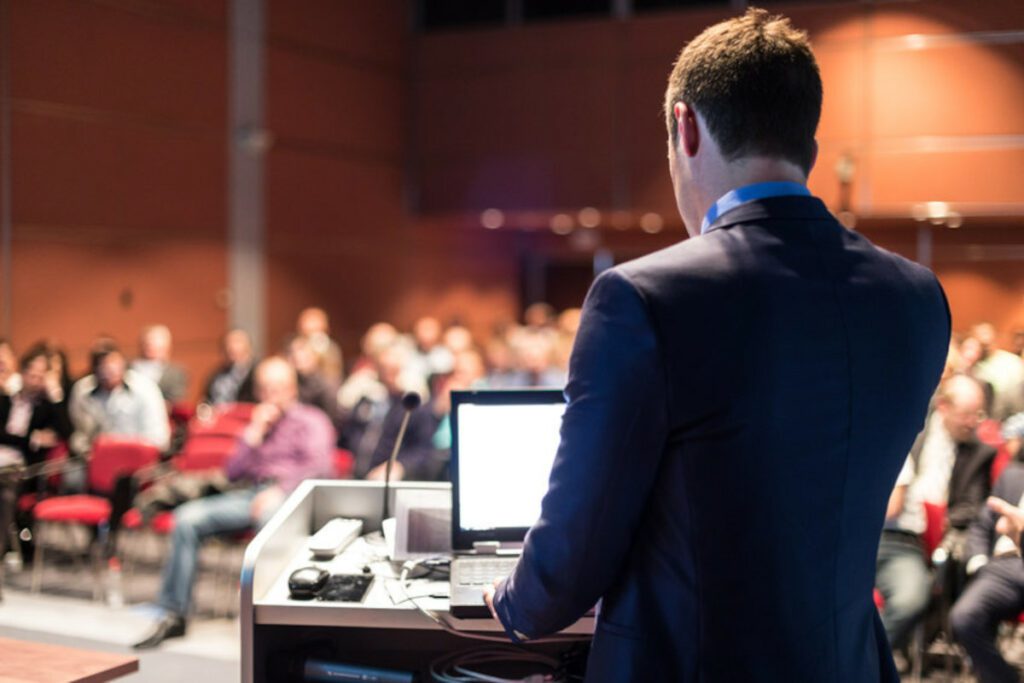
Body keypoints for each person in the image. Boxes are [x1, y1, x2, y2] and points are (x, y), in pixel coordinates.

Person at [484, 10, 950, 681]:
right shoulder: (917, 298)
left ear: (685, 126)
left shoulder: (643, 298)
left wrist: (510, 599)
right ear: (809, 147)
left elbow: (573, 553)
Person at [133, 356, 335, 649]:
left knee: (268, 519)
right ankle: (174, 613)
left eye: (277, 388)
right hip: (250, 493)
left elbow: (319, 466)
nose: (270, 396)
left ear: (292, 389)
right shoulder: (258, 423)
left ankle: (269, 619)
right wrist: (253, 435)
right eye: (264, 389)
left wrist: (281, 489)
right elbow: (232, 472)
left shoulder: (312, 420)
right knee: (187, 519)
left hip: (292, 498)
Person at [875, 375, 994, 650]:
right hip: (869, 530)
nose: (973, 422)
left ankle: (860, 660)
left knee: (911, 598)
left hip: (910, 539)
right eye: (965, 414)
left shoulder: (979, 453)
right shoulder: (910, 431)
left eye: (978, 414)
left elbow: (973, 505)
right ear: (943, 407)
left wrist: (939, 518)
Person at [950, 464, 1024, 683]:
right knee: (964, 617)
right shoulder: (1012, 476)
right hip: (1002, 566)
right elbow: (981, 526)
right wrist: (979, 563)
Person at [69, 339, 170, 460]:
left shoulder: (145, 389)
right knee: (72, 475)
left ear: (123, 363)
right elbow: (79, 433)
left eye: (113, 364)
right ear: (94, 369)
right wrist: (86, 451)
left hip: (139, 458)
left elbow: (159, 439)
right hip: (96, 458)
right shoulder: (82, 390)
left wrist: (123, 451)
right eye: (102, 365)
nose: (108, 370)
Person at [131, 325, 189, 405]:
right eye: (147, 342)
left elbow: (177, 399)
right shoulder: (130, 367)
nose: (150, 345)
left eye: (155, 342)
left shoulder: (176, 372)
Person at [201, 328, 256, 406]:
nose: (231, 347)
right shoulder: (216, 375)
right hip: (217, 415)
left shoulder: (257, 374)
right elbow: (206, 400)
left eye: (237, 342)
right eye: (228, 344)